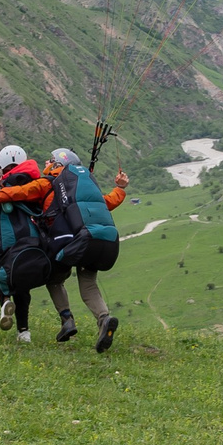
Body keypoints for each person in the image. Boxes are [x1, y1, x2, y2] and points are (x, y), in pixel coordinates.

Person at [42, 147, 130, 351]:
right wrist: (120, 189)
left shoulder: (51, 184)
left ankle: (67, 320)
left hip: (73, 243)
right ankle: (103, 319)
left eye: (49, 160)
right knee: (88, 283)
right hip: (99, 238)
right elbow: (106, 202)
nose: (45, 164)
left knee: (55, 279)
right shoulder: (84, 185)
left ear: (57, 164)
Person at [0, 144, 53, 344]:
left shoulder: (1, 186)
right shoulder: (37, 182)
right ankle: (23, 331)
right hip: (32, 239)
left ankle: (5, 301)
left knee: (1, 275)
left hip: (6, 241)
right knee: (22, 283)